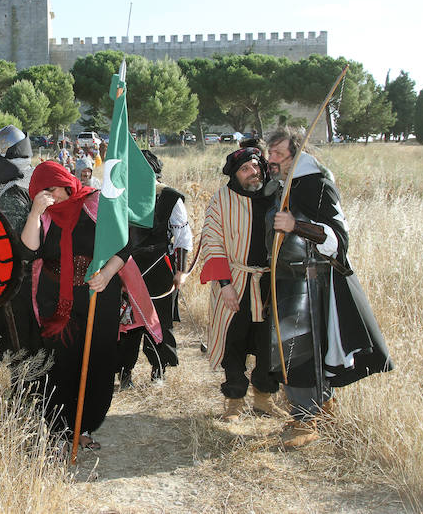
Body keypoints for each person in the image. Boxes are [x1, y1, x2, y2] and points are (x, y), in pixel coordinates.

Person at [265, 128, 392, 448]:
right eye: (271, 153)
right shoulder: (281, 186)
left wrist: (297, 225)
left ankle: (306, 421)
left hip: (312, 282)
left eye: (279, 153)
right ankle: (318, 408)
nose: (272, 159)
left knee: (302, 350)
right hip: (287, 279)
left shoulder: (317, 184)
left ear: (297, 153)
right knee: (292, 350)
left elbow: (338, 239)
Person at [22, 161, 136, 450]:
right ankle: (60, 430)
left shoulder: (95, 202)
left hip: (99, 295)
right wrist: (36, 210)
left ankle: (84, 427)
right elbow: (28, 249)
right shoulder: (44, 214)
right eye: (43, 190)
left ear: (65, 180)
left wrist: (108, 273)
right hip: (56, 302)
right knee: (60, 364)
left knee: (97, 359)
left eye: (54, 188)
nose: (52, 195)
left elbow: (125, 243)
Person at [199, 147, 286, 421]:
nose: (253, 173)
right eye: (246, 169)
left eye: (256, 167)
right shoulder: (221, 200)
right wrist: (225, 285)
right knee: (233, 341)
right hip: (235, 281)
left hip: (268, 281)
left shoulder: (276, 197)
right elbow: (212, 243)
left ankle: (263, 398)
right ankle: (234, 402)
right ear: (235, 174)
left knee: (268, 342)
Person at [117, 150, 192, 387]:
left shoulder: (170, 198)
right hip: (127, 268)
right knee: (126, 323)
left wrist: (180, 271)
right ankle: (124, 372)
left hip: (160, 269)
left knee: (159, 321)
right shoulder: (120, 196)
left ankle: (158, 371)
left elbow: (182, 236)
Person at [0, 125, 42, 374]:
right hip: (25, 277)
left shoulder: (15, 190)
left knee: (21, 342)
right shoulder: (30, 180)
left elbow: (14, 245)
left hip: (20, 279)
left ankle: (24, 393)